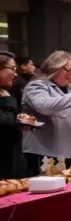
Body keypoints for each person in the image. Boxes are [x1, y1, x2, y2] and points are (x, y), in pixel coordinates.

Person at [21, 51, 71, 176]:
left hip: (68, 150)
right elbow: (45, 106)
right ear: (55, 66)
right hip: (45, 151)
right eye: (68, 70)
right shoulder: (36, 85)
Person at [0, 52, 26, 180]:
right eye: (12, 69)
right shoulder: (6, 96)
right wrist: (8, 101)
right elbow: (5, 123)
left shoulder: (4, 92)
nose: (15, 74)